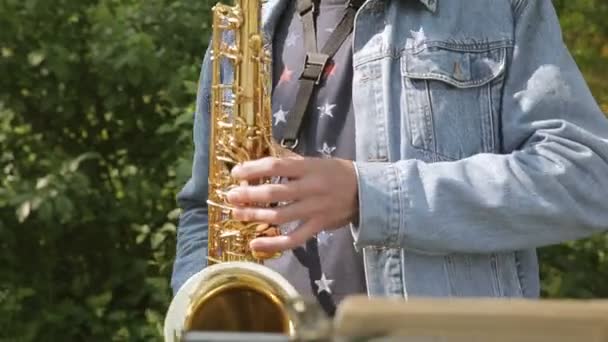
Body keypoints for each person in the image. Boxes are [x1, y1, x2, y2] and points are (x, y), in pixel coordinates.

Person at [171, 0, 608, 315]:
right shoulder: (249, 23)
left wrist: (370, 195)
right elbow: (203, 209)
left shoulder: (500, 7)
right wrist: (200, 311)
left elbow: (588, 173)